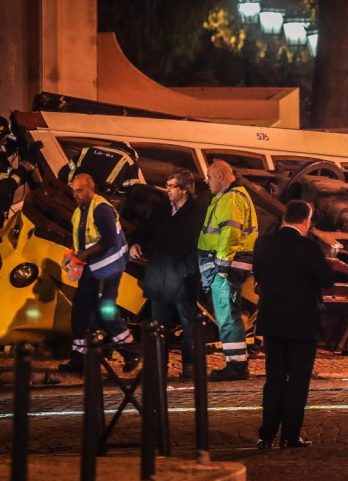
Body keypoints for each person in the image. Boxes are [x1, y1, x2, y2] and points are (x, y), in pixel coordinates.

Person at [253, 200, 336, 449]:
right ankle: (290, 435)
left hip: (272, 320)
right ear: (306, 220)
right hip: (302, 323)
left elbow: (259, 275)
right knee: (298, 380)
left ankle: (266, 435)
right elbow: (327, 280)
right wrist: (329, 258)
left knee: (274, 378)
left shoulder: (264, 243)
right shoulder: (309, 247)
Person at [59, 174, 139, 373]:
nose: (75, 195)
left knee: (105, 311)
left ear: (90, 189)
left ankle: (131, 352)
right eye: (73, 191)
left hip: (108, 269)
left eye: (79, 191)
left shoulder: (102, 209)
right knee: (81, 312)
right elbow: (81, 238)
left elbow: (110, 240)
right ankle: (80, 360)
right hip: (92, 269)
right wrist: (72, 253)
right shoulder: (80, 211)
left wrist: (84, 254)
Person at [129, 170, 206, 378]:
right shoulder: (162, 209)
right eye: (168, 185)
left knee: (188, 322)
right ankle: (158, 365)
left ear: (184, 190)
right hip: (159, 272)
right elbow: (144, 229)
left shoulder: (197, 212)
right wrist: (135, 242)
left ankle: (189, 364)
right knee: (157, 323)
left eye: (172, 186)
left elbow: (201, 245)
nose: (168, 190)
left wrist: (187, 269)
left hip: (182, 275)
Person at [198, 159, 258, 381]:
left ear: (220, 176)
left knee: (227, 315)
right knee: (228, 314)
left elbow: (229, 234)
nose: (207, 182)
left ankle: (236, 365)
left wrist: (221, 267)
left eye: (209, 177)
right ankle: (237, 362)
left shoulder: (231, 198)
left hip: (226, 266)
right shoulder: (235, 196)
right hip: (231, 265)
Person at [59, 141, 145, 193]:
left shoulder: (89, 150)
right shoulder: (130, 160)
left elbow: (63, 173)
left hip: (70, 192)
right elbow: (131, 190)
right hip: (96, 201)